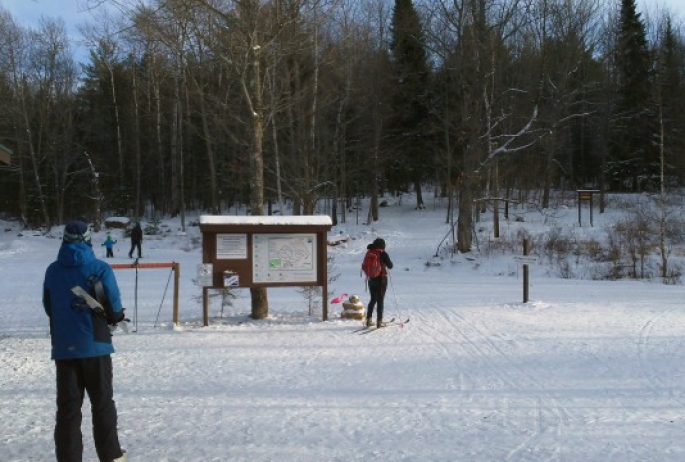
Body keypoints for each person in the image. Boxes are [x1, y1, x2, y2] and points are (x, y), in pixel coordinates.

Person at [43, 221, 127, 462]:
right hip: (96, 346)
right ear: (89, 240)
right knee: (102, 404)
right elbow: (115, 307)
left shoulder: (52, 270)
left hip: (64, 349)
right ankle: (110, 456)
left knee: (68, 410)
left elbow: (49, 306)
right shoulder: (100, 268)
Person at [364, 237, 393, 328]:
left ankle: (368, 320)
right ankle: (379, 321)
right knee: (380, 300)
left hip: (371, 279)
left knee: (373, 299)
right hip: (381, 280)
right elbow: (390, 265)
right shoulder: (383, 253)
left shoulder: (369, 252)